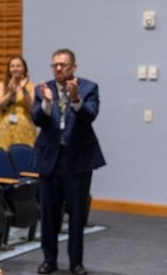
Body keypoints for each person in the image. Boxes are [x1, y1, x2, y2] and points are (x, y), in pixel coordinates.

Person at [32, 49, 104, 275]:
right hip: (50, 160)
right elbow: (38, 118)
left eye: (63, 65)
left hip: (77, 162)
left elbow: (90, 115)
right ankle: (49, 260)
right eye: (55, 65)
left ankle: (76, 262)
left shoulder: (89, 88)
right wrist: (45, 103)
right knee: (48, 214)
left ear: (74, 66)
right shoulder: (43, 89)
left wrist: (75, 99)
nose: (58, 69)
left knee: (76, 215)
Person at [0, 55, 36, 150]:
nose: (15, 69)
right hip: (4, 130)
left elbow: (32, 108)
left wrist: (23, 89)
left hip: (25, 129)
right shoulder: (2, 85)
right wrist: (11, 93)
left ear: (24, 68)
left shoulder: (31, 86)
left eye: (19, 66)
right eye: (13, 66)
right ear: (9, 69)